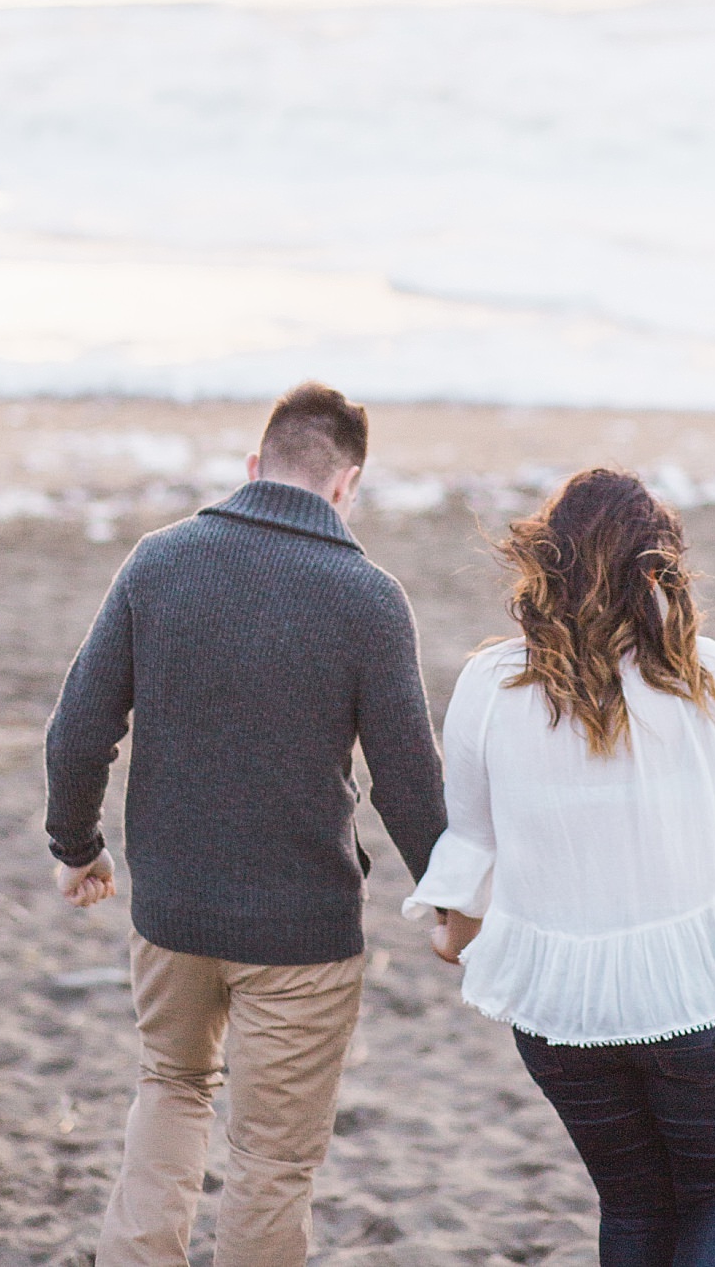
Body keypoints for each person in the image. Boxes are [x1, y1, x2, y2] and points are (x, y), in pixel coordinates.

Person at [45, 382, 446, 1267]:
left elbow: (76, 730)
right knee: (271, 1161)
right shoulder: (370, 598)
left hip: (173, 914)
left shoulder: (159, 562)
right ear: (346, 485)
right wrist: (450, 904)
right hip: (303, 935)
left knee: (170, 1088)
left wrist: (77, 848)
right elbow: (408, 784)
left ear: (256, 465)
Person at [405, 467, 715, 1267]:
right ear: (658, 569)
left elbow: (473, 849)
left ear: (547, 559)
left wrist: (453, 940)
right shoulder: (705, 673)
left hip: (563, 1011)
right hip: (706, 995)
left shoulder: (490, 685)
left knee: (635, 1202)